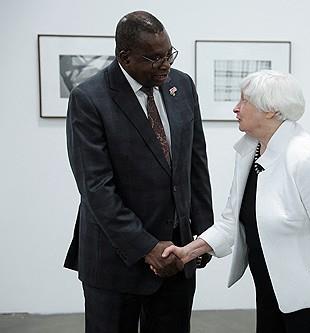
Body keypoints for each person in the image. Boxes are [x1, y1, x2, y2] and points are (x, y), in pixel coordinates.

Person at [161, 70, 310, 332]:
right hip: (271, 291)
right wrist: (187, 252)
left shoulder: (307, 158)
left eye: (244, 101)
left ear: (271, 111)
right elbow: (231, 222)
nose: (236, 108)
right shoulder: (249, 150)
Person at [64, 11, 213, 333]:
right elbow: (96, 188)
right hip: (116, 261)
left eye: (169, 54)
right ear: (125, 57)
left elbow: (195, 163)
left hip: (177, 254)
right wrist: (147, 247)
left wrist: (204, 235)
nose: (165, 65)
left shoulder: (182, 86)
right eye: (154, 58)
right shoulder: (90, 99)